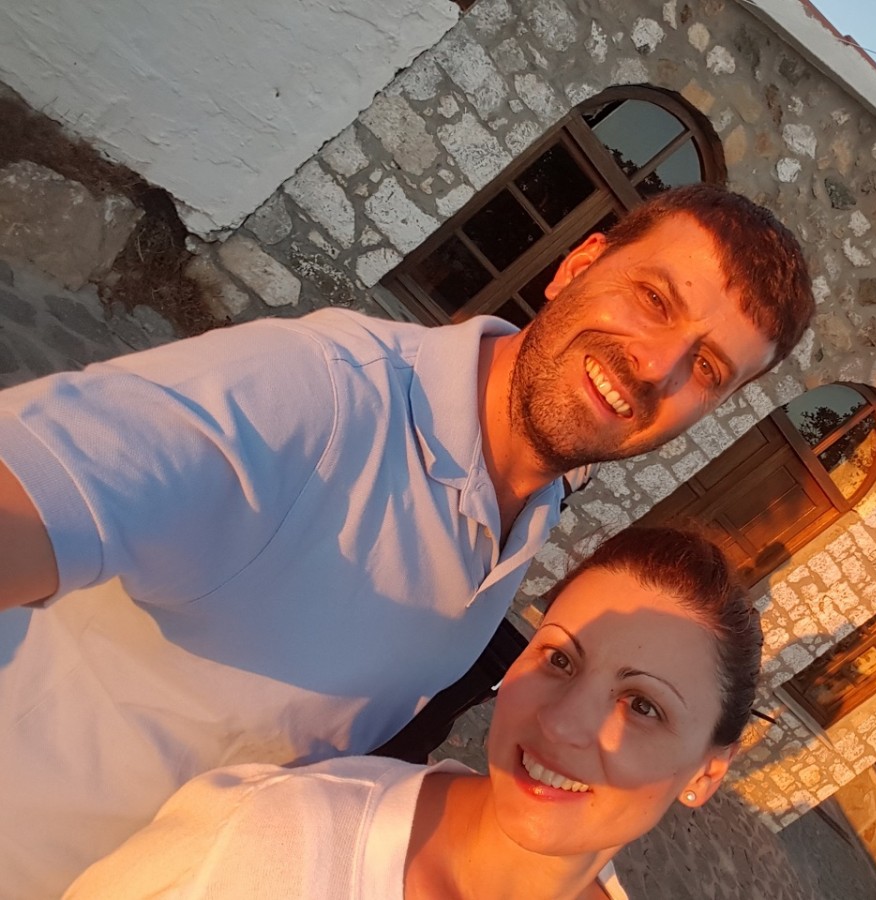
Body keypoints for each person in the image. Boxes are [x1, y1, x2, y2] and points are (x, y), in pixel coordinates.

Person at [0, 184, 811, 897]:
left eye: (708, 368)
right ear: (576, 265)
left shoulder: (530, 509)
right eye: (654, 298)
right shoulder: (319, 395)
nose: (656, 367)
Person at [64, 527, 762, 900]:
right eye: (559, 659)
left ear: (707, 772)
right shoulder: (272, 845)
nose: (561, 724)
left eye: (642, 706)